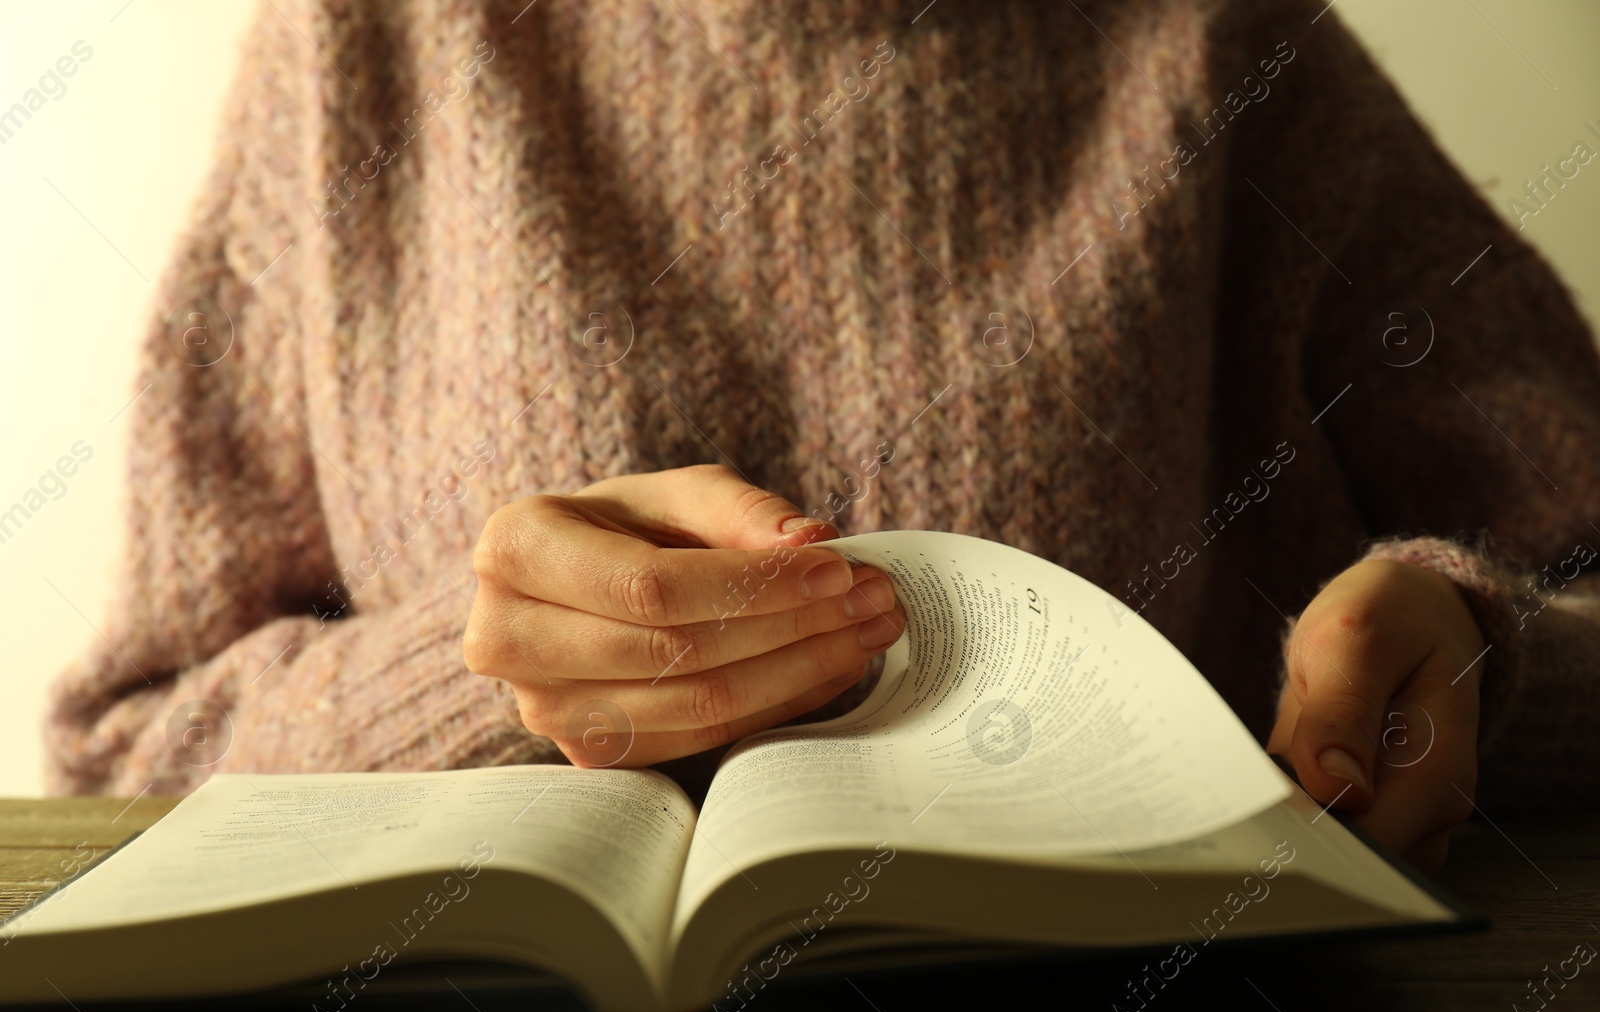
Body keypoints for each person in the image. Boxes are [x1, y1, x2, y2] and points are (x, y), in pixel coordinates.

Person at [44, 0, 1600, 874]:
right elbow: (124, 760)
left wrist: (1476, 652)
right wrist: (474, 683)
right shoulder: (363, 50)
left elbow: (1572, 584)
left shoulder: (1223, 49)